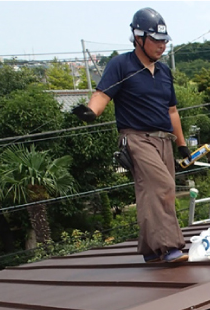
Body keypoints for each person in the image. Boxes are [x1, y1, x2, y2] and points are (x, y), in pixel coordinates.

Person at [73, 7, 190, 263]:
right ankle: (170, 246)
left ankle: (150, 250)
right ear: (138, 38)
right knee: (162, 186)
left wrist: (182, 145)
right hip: (136, 138)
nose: (162, 46)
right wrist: (91, 112)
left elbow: (172, 111)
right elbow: (102, 94)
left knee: (155, 192)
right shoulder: (121, 64)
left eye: (164, 41)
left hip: (163, 139)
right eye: (156, 40)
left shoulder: (164, 71)